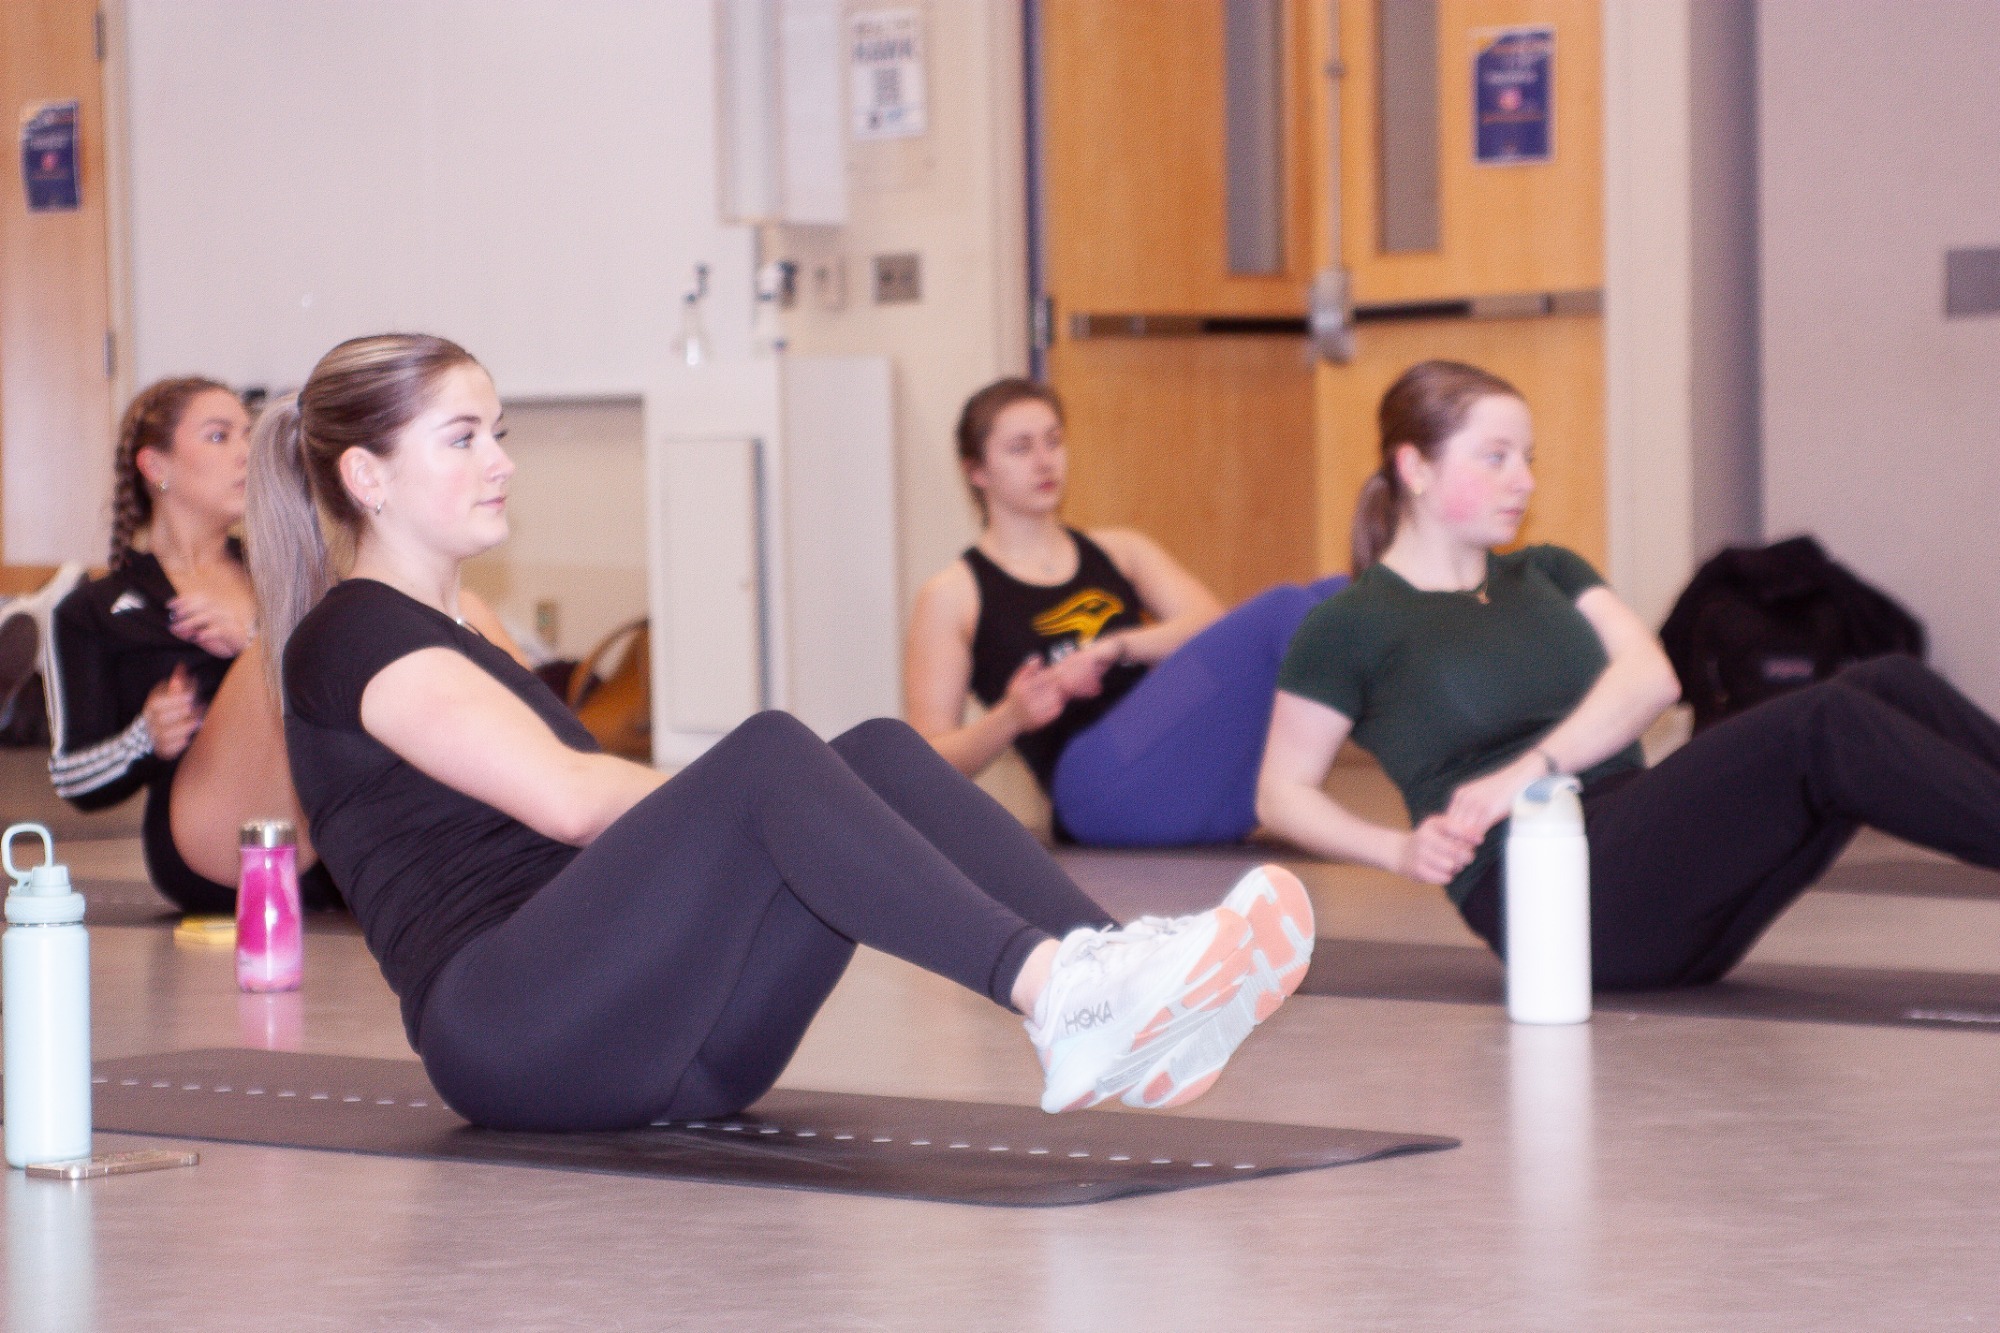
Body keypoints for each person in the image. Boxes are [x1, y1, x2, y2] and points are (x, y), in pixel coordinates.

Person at [249, 333, 1314, 1129]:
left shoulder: (458, 623)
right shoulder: (346, 638)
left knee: (875, 754)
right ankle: (1060, 996)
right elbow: (571, 801)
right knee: (770, 757)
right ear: (366, 475)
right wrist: (767, 789)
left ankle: (1106, 972)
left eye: (500, 432)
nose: (502, 461)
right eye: (464, 437)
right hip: (516, 1034)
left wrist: (802, 790)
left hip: (674, 1049)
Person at [1257, 358, 2000, 990]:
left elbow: (1652, 679)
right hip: (1560, 905)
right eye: (1496, 456)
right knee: (1827, 725)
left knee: (1891, 682)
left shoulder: (1548, 571)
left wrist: (1524, 770)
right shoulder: (1349, 625)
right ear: (1414, 466)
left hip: (1638, 844)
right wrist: (1398, 849)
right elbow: (1281, 792)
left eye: (1528, 457)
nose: (1523, 480)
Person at [905, 378, 1348, 846]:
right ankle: (1308, 795)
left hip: (1178, 775)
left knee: (1334, 597)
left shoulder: (1120, 551)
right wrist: (1012, 717)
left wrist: (1117, 646)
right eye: (1020, 448)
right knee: (1286, 609)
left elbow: (1209, 624)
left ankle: (1295, 792)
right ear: (977, 471)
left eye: (1054, 441)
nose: (1044, 460)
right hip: (1093, 789)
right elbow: (924, 762)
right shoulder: (955, 593)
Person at [44, 378, 351, 913]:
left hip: (333, 838)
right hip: (214, 847)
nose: (245, 454)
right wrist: (145, 738)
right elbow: (72, 777)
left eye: (248, 436)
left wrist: (247, 635)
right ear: (157, 468)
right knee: (280, 648)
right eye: (218, 437)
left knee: (451, 611)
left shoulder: (286, 577)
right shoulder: (93, 609)